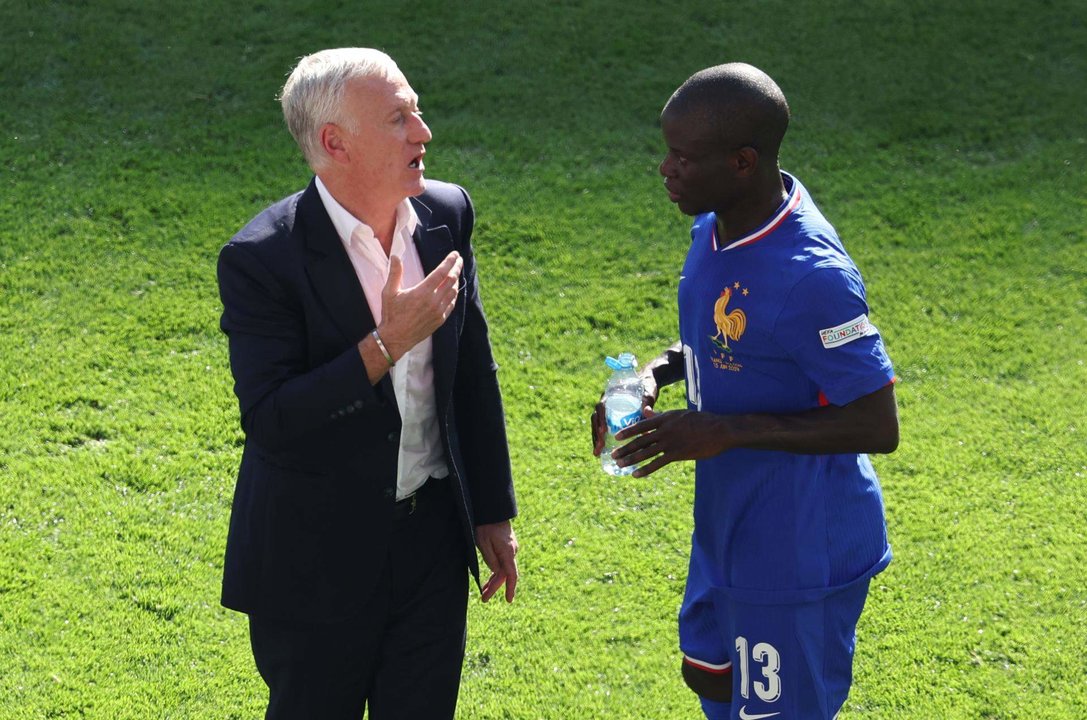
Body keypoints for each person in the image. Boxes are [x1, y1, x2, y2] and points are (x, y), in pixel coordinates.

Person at [217, 47, 519, 720]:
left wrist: (492, 509)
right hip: (315, 557)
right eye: (398, 119)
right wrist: (385, 345)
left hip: (430, 545)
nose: (423, 133)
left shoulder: (447, 215)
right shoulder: (261, 260)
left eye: (417, 110)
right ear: (334, 143)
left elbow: (471, 367)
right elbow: (272, 420)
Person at [591, 63, 899, 720]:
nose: (665, 170)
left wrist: (725, 431)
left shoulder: (810, 276)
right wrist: (649, 376)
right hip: (728, 529)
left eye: (683, 157)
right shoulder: (715, 226)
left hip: (796, 550)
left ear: (741, 162)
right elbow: (719, 341)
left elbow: (877, 423)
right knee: (714, 688)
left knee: (771, 714)